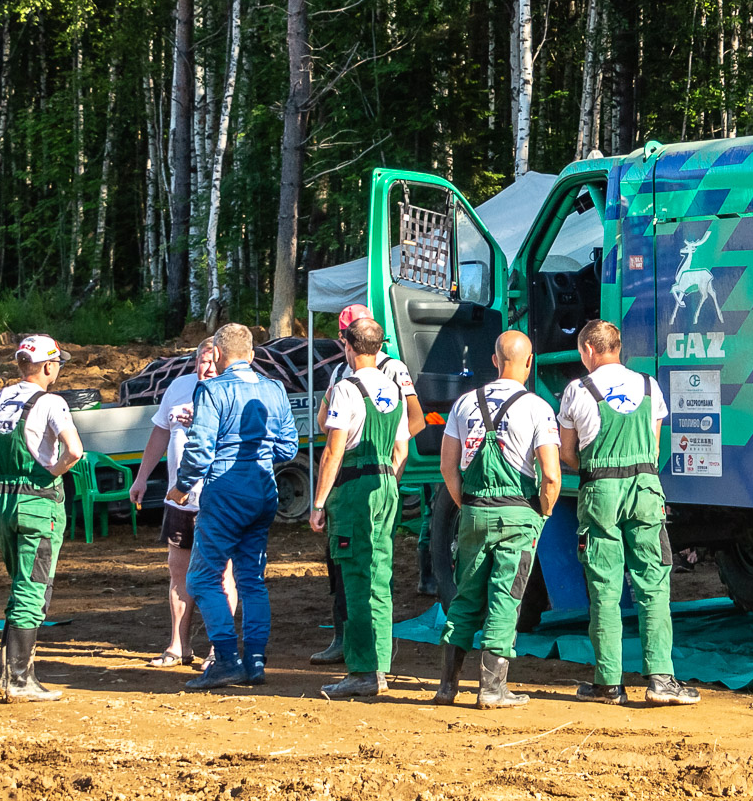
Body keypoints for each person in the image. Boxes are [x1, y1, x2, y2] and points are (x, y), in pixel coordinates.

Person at [557, 320, 698, 707]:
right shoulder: (650, 386)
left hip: (600, 489)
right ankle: (661, 680)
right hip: (646, 489)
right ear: (618, 348)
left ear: (587, 351)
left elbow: (566, 452)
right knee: (653, 581)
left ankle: (608, 683)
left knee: (604, 586)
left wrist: (592, 466)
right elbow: (653, 446)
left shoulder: (577, 390)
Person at [0, 335, 85, 703]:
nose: (58, 369)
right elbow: (74, 450)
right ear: (47, 367)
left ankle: (9, 676)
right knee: (33, 587)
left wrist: (1, 466)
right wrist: (52, 472)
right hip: (38, 502)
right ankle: (18, 681)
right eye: (58, 363)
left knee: (19, 583)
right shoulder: (51, 401)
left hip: (4, 500)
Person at [433, 330, 560, 709]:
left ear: (493, 361)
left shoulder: (464, 404)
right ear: (529, 361)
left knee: (465, 596)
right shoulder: (537, 408)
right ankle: (491, 689)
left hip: (473, 513)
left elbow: (447, 466)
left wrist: (467, 504)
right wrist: (542, 514)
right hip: (518, 515)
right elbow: (551, 475)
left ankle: (447, 688)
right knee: (505, 598)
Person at [169, 323, 299, 691]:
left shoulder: (213, 389)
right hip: (263, 487)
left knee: (201, 577)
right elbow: (288, 448)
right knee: (252, 579)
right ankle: (255, 660)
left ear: (220, 356)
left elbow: (200, 449)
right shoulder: (274, 388)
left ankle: (226, 658)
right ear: (253, 355)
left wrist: (181, 487)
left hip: (226, 488)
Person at [310, 303, 422, 664]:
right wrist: (389, 480)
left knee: (357, 573)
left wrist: (318, 502)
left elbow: (332, 446)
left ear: (347, 342)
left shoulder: (364, 380)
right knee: (375, 571)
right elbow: (404, 439)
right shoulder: (378, 383)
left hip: (357, 482)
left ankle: (362, 664)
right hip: (383, 480)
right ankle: (379, 656)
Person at [130, 337, 238, 668]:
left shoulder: (231, 391)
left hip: (219, 499)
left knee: (222, 574)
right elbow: (161, 432)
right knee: (179, 572)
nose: (205, 367)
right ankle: (178, 646)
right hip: (180, 500)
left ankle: (219, 649)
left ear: (222, 361)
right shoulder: (180, 386)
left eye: (211, 361)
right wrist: (142, 476)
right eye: (200, 361)